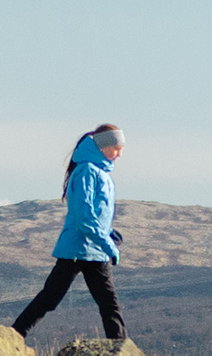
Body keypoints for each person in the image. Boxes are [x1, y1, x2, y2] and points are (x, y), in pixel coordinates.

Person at [11, 125, 128, 341]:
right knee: (50, 299)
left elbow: (96, 216)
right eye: (116, 148)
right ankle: (12, 337)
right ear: (103, 146)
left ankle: (121, 351)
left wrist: (109, 234)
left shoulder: (101, 173)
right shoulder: (87, 172)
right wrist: (108, 245)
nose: (119, 154)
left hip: (94, 250)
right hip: (77, 249)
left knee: (108, 303)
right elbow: (84, 216)